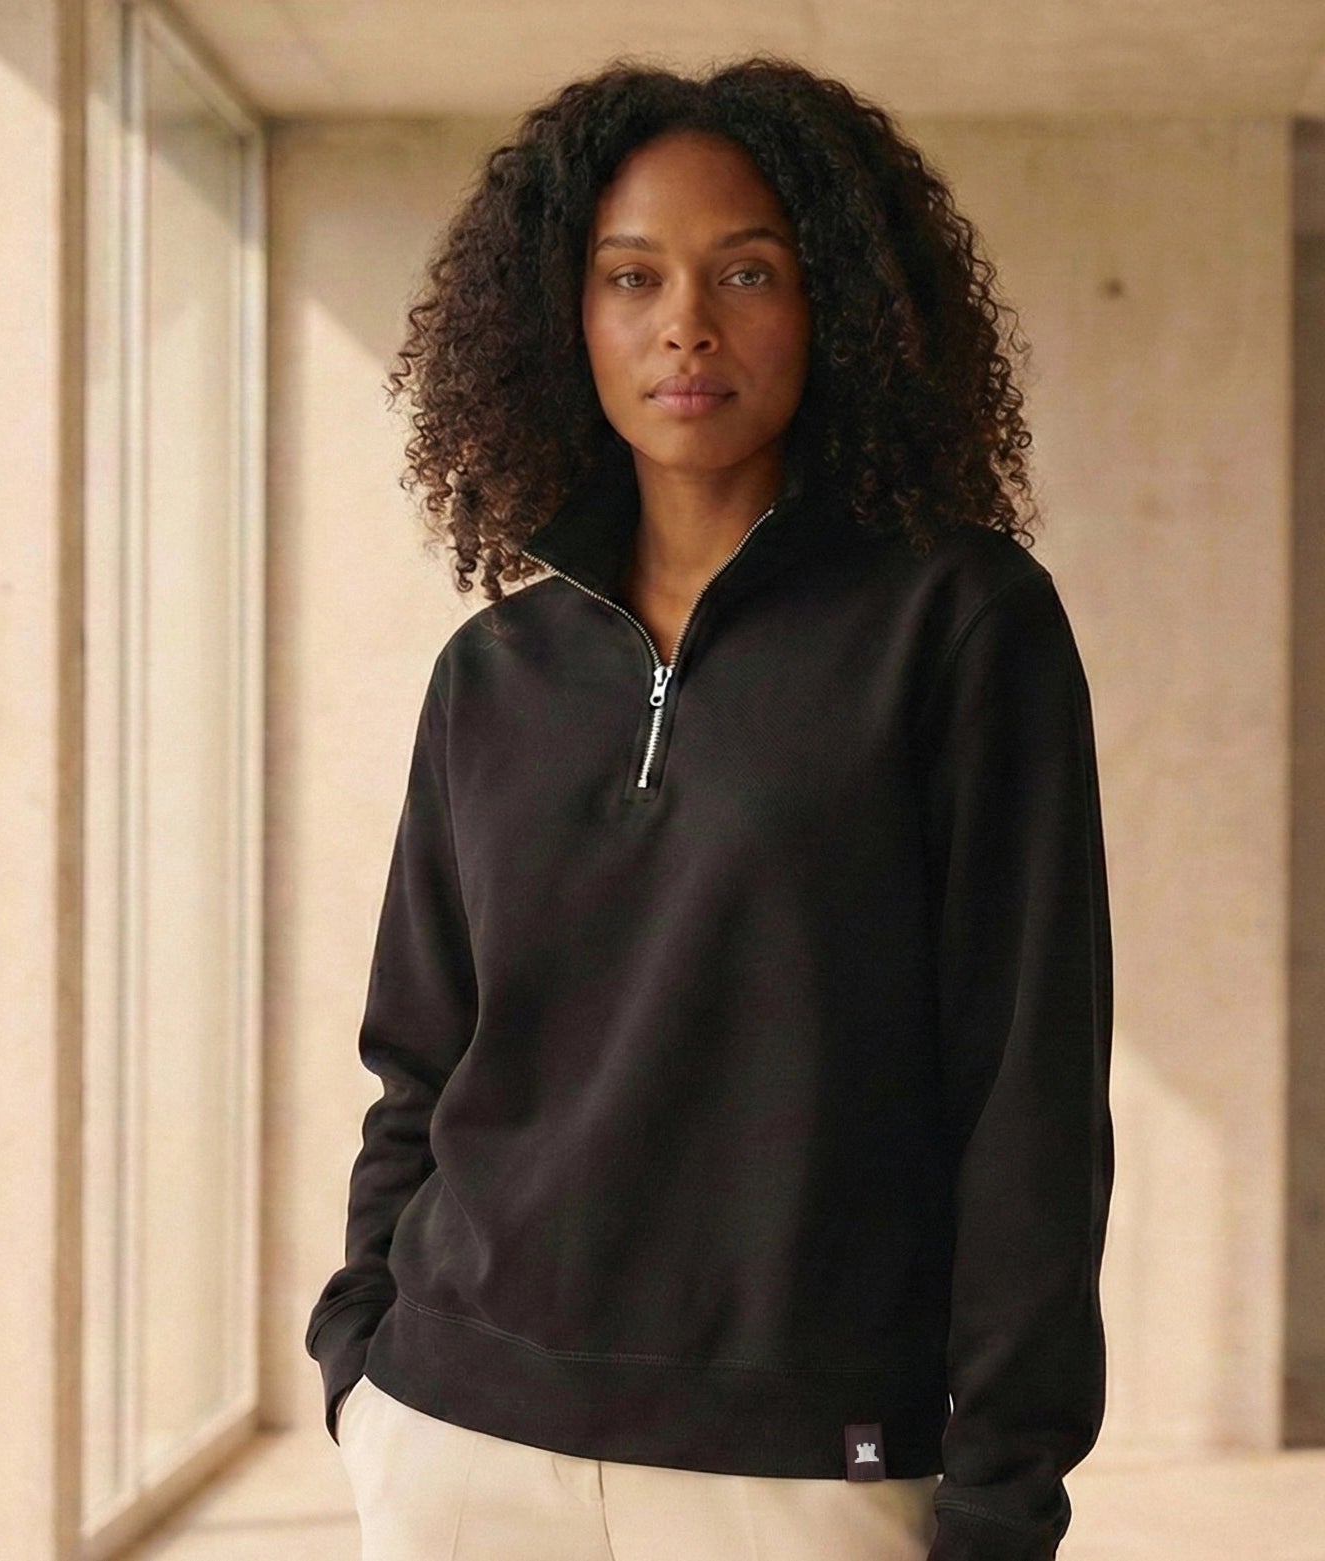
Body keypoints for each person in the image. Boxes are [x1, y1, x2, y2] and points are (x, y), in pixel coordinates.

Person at [306, 55, 1115, 1561]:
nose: (685, 322)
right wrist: (364, 1354)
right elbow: (418, 1056)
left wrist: (1003, 1487)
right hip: (457, 1441)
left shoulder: (957, 624)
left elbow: (1028, 1090)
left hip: (805, 1470)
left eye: (747, 269)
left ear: (839, 308)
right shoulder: (493, 671)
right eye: (631, 277)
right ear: (567, 321)